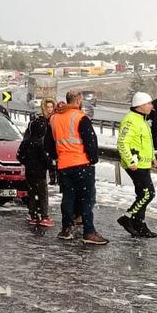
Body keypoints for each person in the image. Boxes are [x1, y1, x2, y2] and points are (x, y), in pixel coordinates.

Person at [44, 90, 108, 245]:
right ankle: (89, 231)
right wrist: (93, 159)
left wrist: (57, 156)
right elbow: (90, 141)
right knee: (86, 198)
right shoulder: (81, 117)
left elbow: (48, 144)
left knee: (68, 197)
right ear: (78, 100)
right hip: (81, 163)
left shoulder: (54, 118)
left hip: (64, 165)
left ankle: (66, 228)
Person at [116, 92, 157, 238]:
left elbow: (146, 142)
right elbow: (122, 143)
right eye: (149, 103)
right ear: (139, 105)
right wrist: (130, 161)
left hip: (143, 164)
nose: (151, 106)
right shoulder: (130, 120)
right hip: (135, 164)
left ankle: (139, 223)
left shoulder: (142, 120)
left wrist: (152, 157)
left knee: (142, 194)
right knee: (148, 194)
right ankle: (127, 217)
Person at [17, 98, 56, 227]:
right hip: (39, 172)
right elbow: (45, 158)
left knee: (32, 193)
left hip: (30, 171)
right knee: (42, 193)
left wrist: (26, 162)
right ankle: (44, 215)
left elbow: (19, 155)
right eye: (48, 107)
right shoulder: (40, 143)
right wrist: (49, 167)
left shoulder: (27, 142)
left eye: (52, 107)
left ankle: (33, 214)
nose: (50, 109)